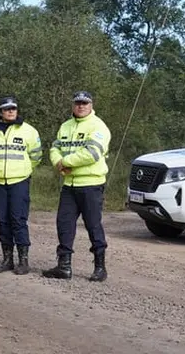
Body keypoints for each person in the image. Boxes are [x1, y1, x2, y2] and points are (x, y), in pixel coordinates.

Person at [42, 90, 112, 282]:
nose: (81, 106)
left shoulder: (98, 126)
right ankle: (64, 266)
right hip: (69, 185)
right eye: (78, 103)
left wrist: (66, 162)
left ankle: (100, 267)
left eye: (85, 103)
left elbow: (93, 153)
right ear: (73, 105)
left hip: (91, 184)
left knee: (93, 225)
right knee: (64, 224)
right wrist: (58, 162)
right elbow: (55, 147)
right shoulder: (65, 126)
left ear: (91, 105)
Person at [0, 95, 43, 275]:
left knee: (18, 219)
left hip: (19, 181)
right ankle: (7, 259)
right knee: (3, 220)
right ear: (0, 111)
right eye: (7, 109)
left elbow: (36, 156)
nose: (11, 111)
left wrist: (23, 170)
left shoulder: (29, 131)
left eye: (13, 108)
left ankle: (23, 260)